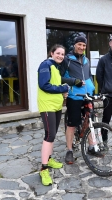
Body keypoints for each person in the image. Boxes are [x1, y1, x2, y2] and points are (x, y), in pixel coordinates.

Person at [59, 36, 99, 165]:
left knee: (90, 120)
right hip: (74, 96)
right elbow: (59, 78)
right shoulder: (66, 60)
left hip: (87, 95)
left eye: (84, 45)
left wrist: (92, 89)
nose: (81, 47)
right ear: (74, 45)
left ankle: (92, 146)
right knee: (72, 124)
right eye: (79, 44)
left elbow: (88, 77)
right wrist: (73, 81)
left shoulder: (86, 60)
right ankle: (69, 150)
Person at [38, 44, 69, 186]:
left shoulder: (55, 67)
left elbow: (54, 84)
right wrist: (62, 88)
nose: (60, 56)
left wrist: (63, 91)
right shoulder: (46, 65)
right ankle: (43, 169)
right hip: (47, 106)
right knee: (49, 136)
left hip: (56, 106)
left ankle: (49, 159)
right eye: (58, 53)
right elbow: (44, 85)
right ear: (51, 53)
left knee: (52, 134)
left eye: (63, 54)